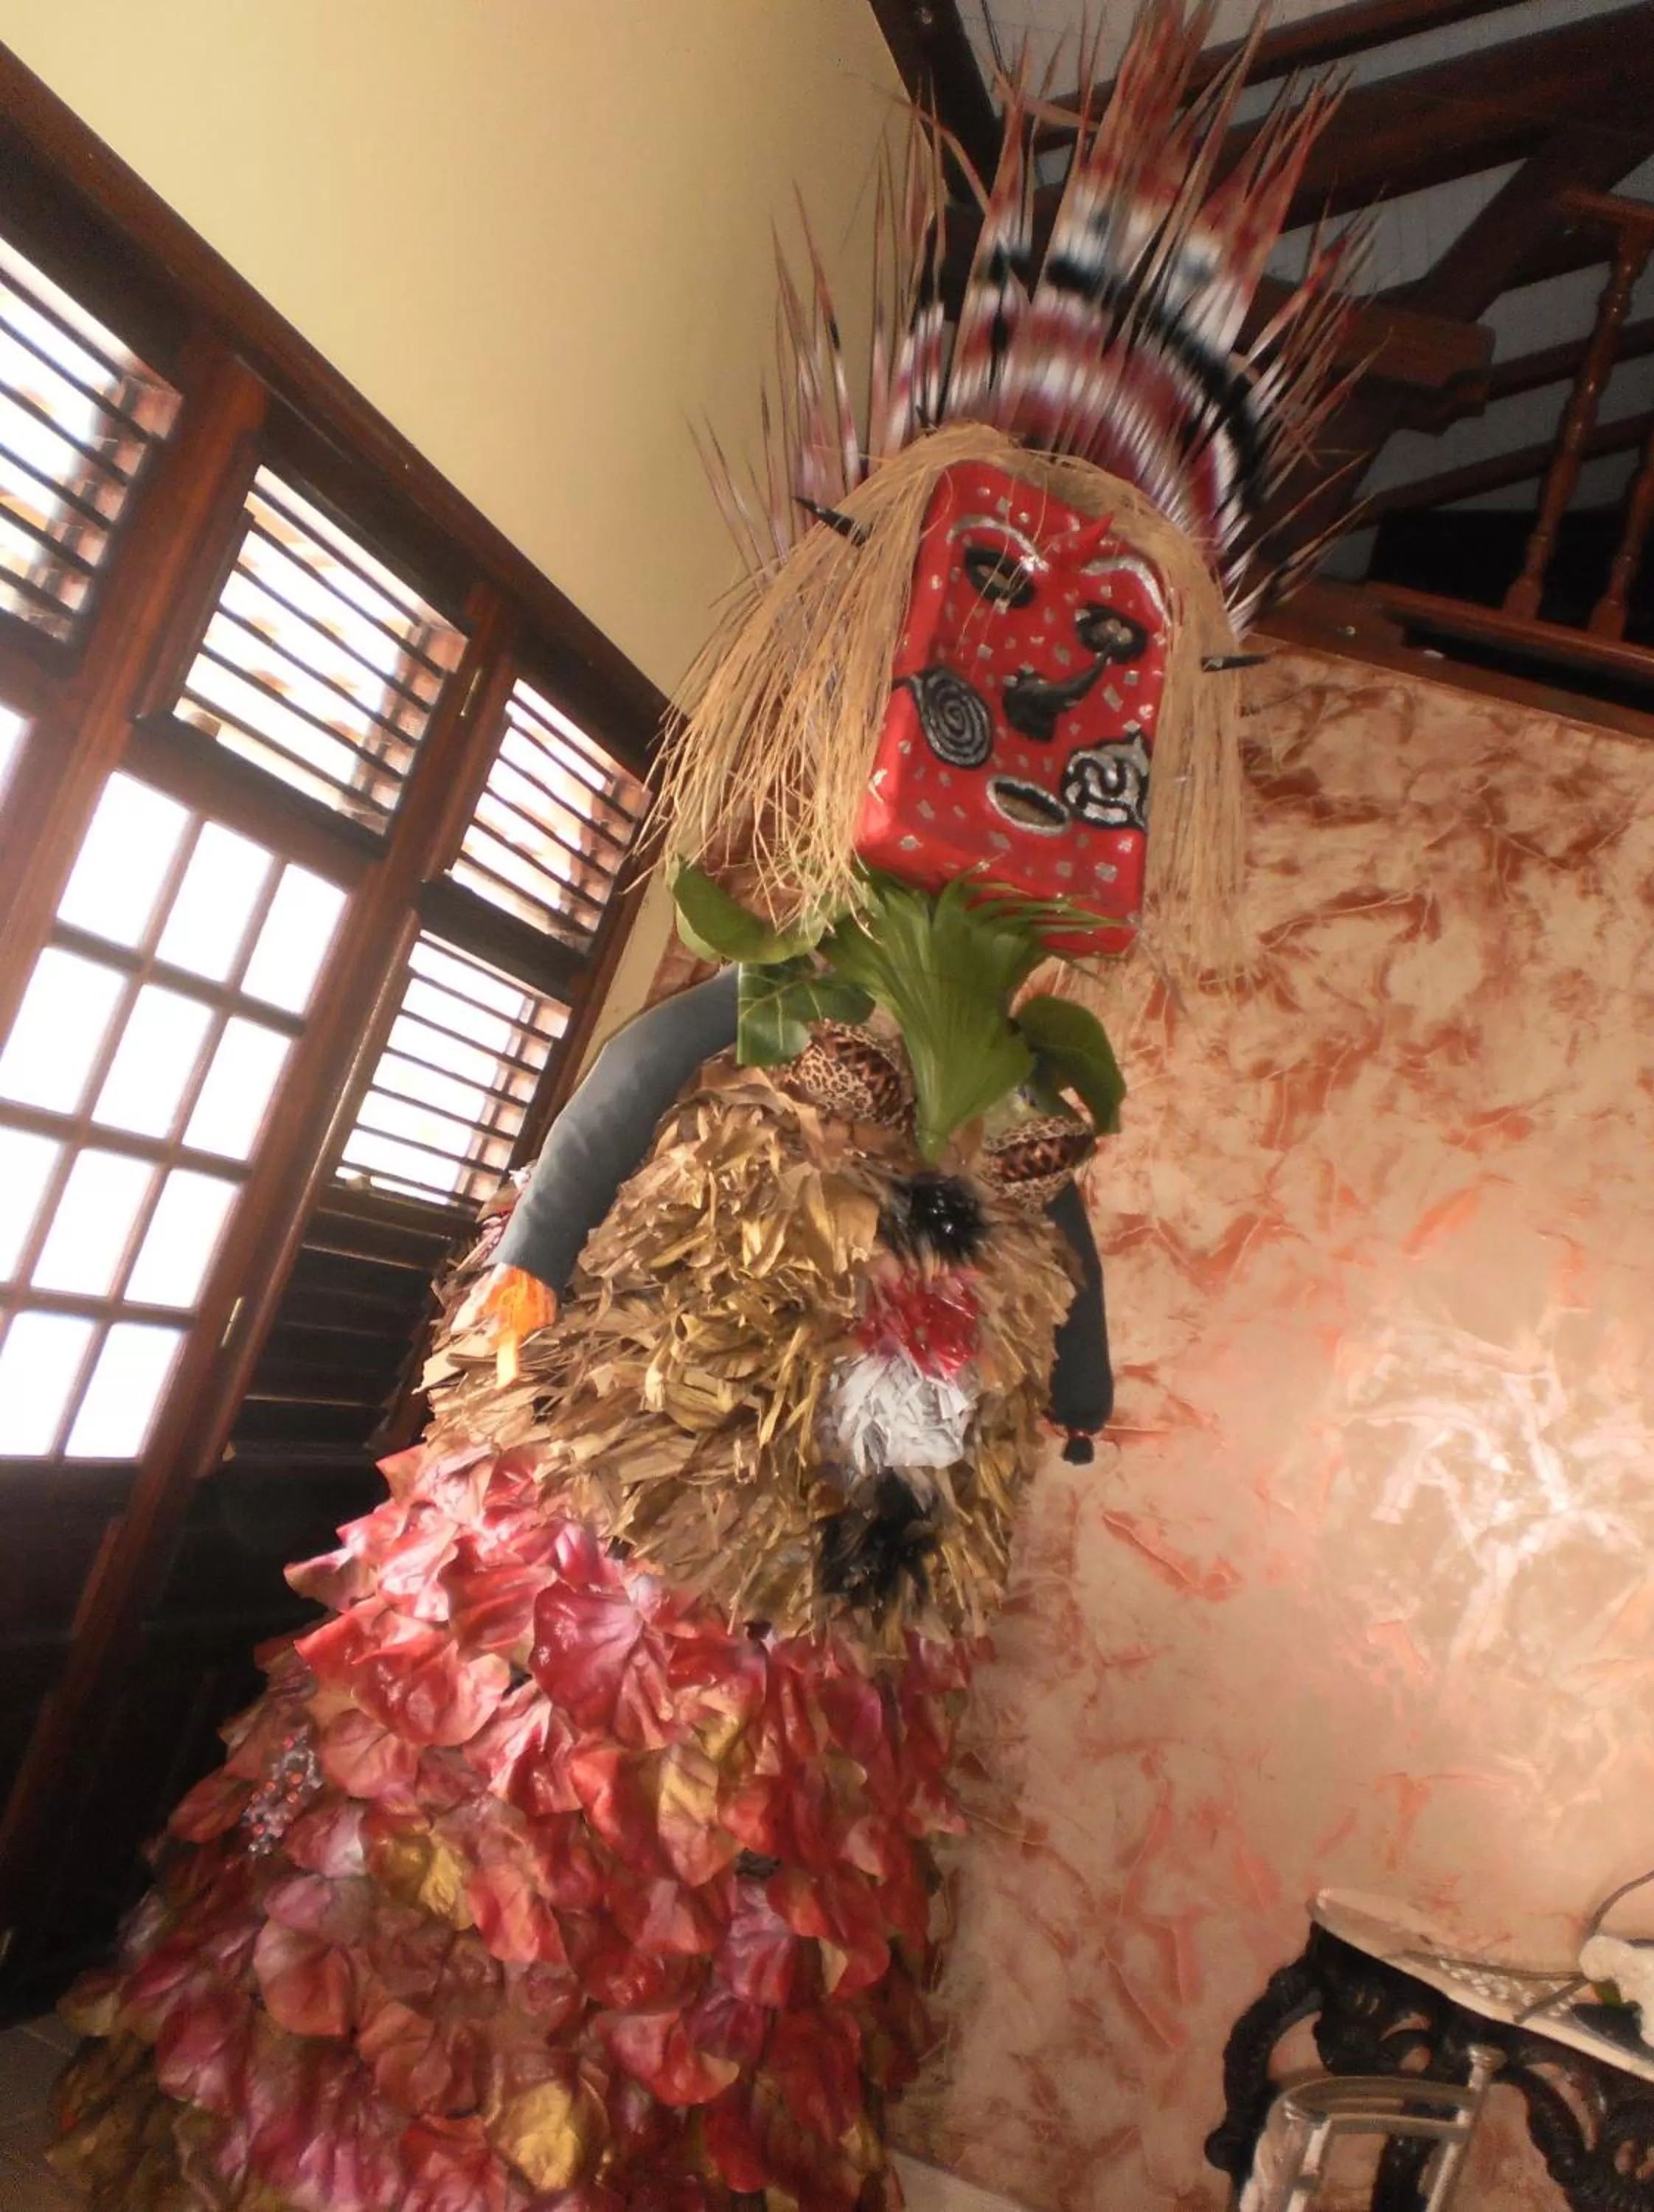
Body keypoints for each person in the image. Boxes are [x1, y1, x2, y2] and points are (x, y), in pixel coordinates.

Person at [50, 8, 1350, 2205]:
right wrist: (541, 1263)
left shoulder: (1034, 1090)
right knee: (537, 1780)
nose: (1045, 666)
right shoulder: (771, 995)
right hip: (643, 1463)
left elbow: (1061, 1238)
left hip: (897, 1428)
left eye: (1103, 640)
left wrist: (1080, 1388)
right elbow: (635, 1087)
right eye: (998, 593)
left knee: (806, 1718)